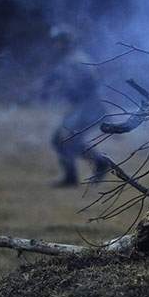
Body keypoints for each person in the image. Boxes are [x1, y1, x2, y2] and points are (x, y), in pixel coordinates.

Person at [42, 25, 108, 187]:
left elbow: (90, 83)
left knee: (66, 139)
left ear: (65, 43)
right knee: (61, 140)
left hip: (89, 106)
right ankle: (79, 172)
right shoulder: (68, 60)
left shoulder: (77, 60)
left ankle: (96, 165)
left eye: (58, 42)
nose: (55, 45)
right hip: (83, 106)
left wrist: (66, 90)